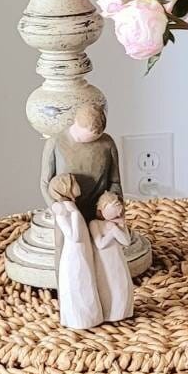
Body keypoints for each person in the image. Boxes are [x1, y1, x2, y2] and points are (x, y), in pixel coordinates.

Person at [41, 102, 123, 223]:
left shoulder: (107, 143)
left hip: (100, 215)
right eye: (84, 137)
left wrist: (112, 205)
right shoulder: (55, 143)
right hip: (67, 213)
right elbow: (45, 183)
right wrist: (55, 206)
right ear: (76, 123)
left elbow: (114, 181)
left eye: (96, 138)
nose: (90, 141)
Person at [49, 173, 103, 330]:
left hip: (82, 252)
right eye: (73, 182)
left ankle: (91, 317)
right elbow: (75, 236)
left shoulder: (70, 207)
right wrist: (73, 213)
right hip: (75, 255)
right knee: (80, 284)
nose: (78, 185)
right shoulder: (62, 211)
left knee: (86, 283)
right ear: (66, 188)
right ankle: (81, 319)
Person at [90, 191, 134, 322]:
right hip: (104, 262)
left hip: (118, 260)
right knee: (107, 287)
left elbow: (126, 242)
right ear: (101, 209)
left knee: (122, 285)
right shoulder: (95, 224)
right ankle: (108, 313)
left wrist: (116, 228)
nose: (116, 215)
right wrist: (111, 231)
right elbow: (100, 244)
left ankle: (121, 312)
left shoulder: (118, 223)